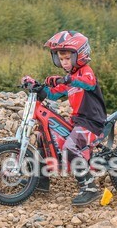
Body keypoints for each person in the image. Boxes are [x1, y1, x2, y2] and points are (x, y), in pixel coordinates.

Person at [42, 30, 107, 206]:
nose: (64, 62)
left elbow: (87, 82)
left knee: (70, 147)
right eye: (60, 59)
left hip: (92, 122)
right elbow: (53, 94)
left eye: (67, 58)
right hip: (78, 121)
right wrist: (37, 87)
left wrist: (66, 79)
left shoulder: (86, 72)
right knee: (46, 138)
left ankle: (90, 188)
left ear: (80, 55)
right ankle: (39, 180)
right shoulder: (70, 80)